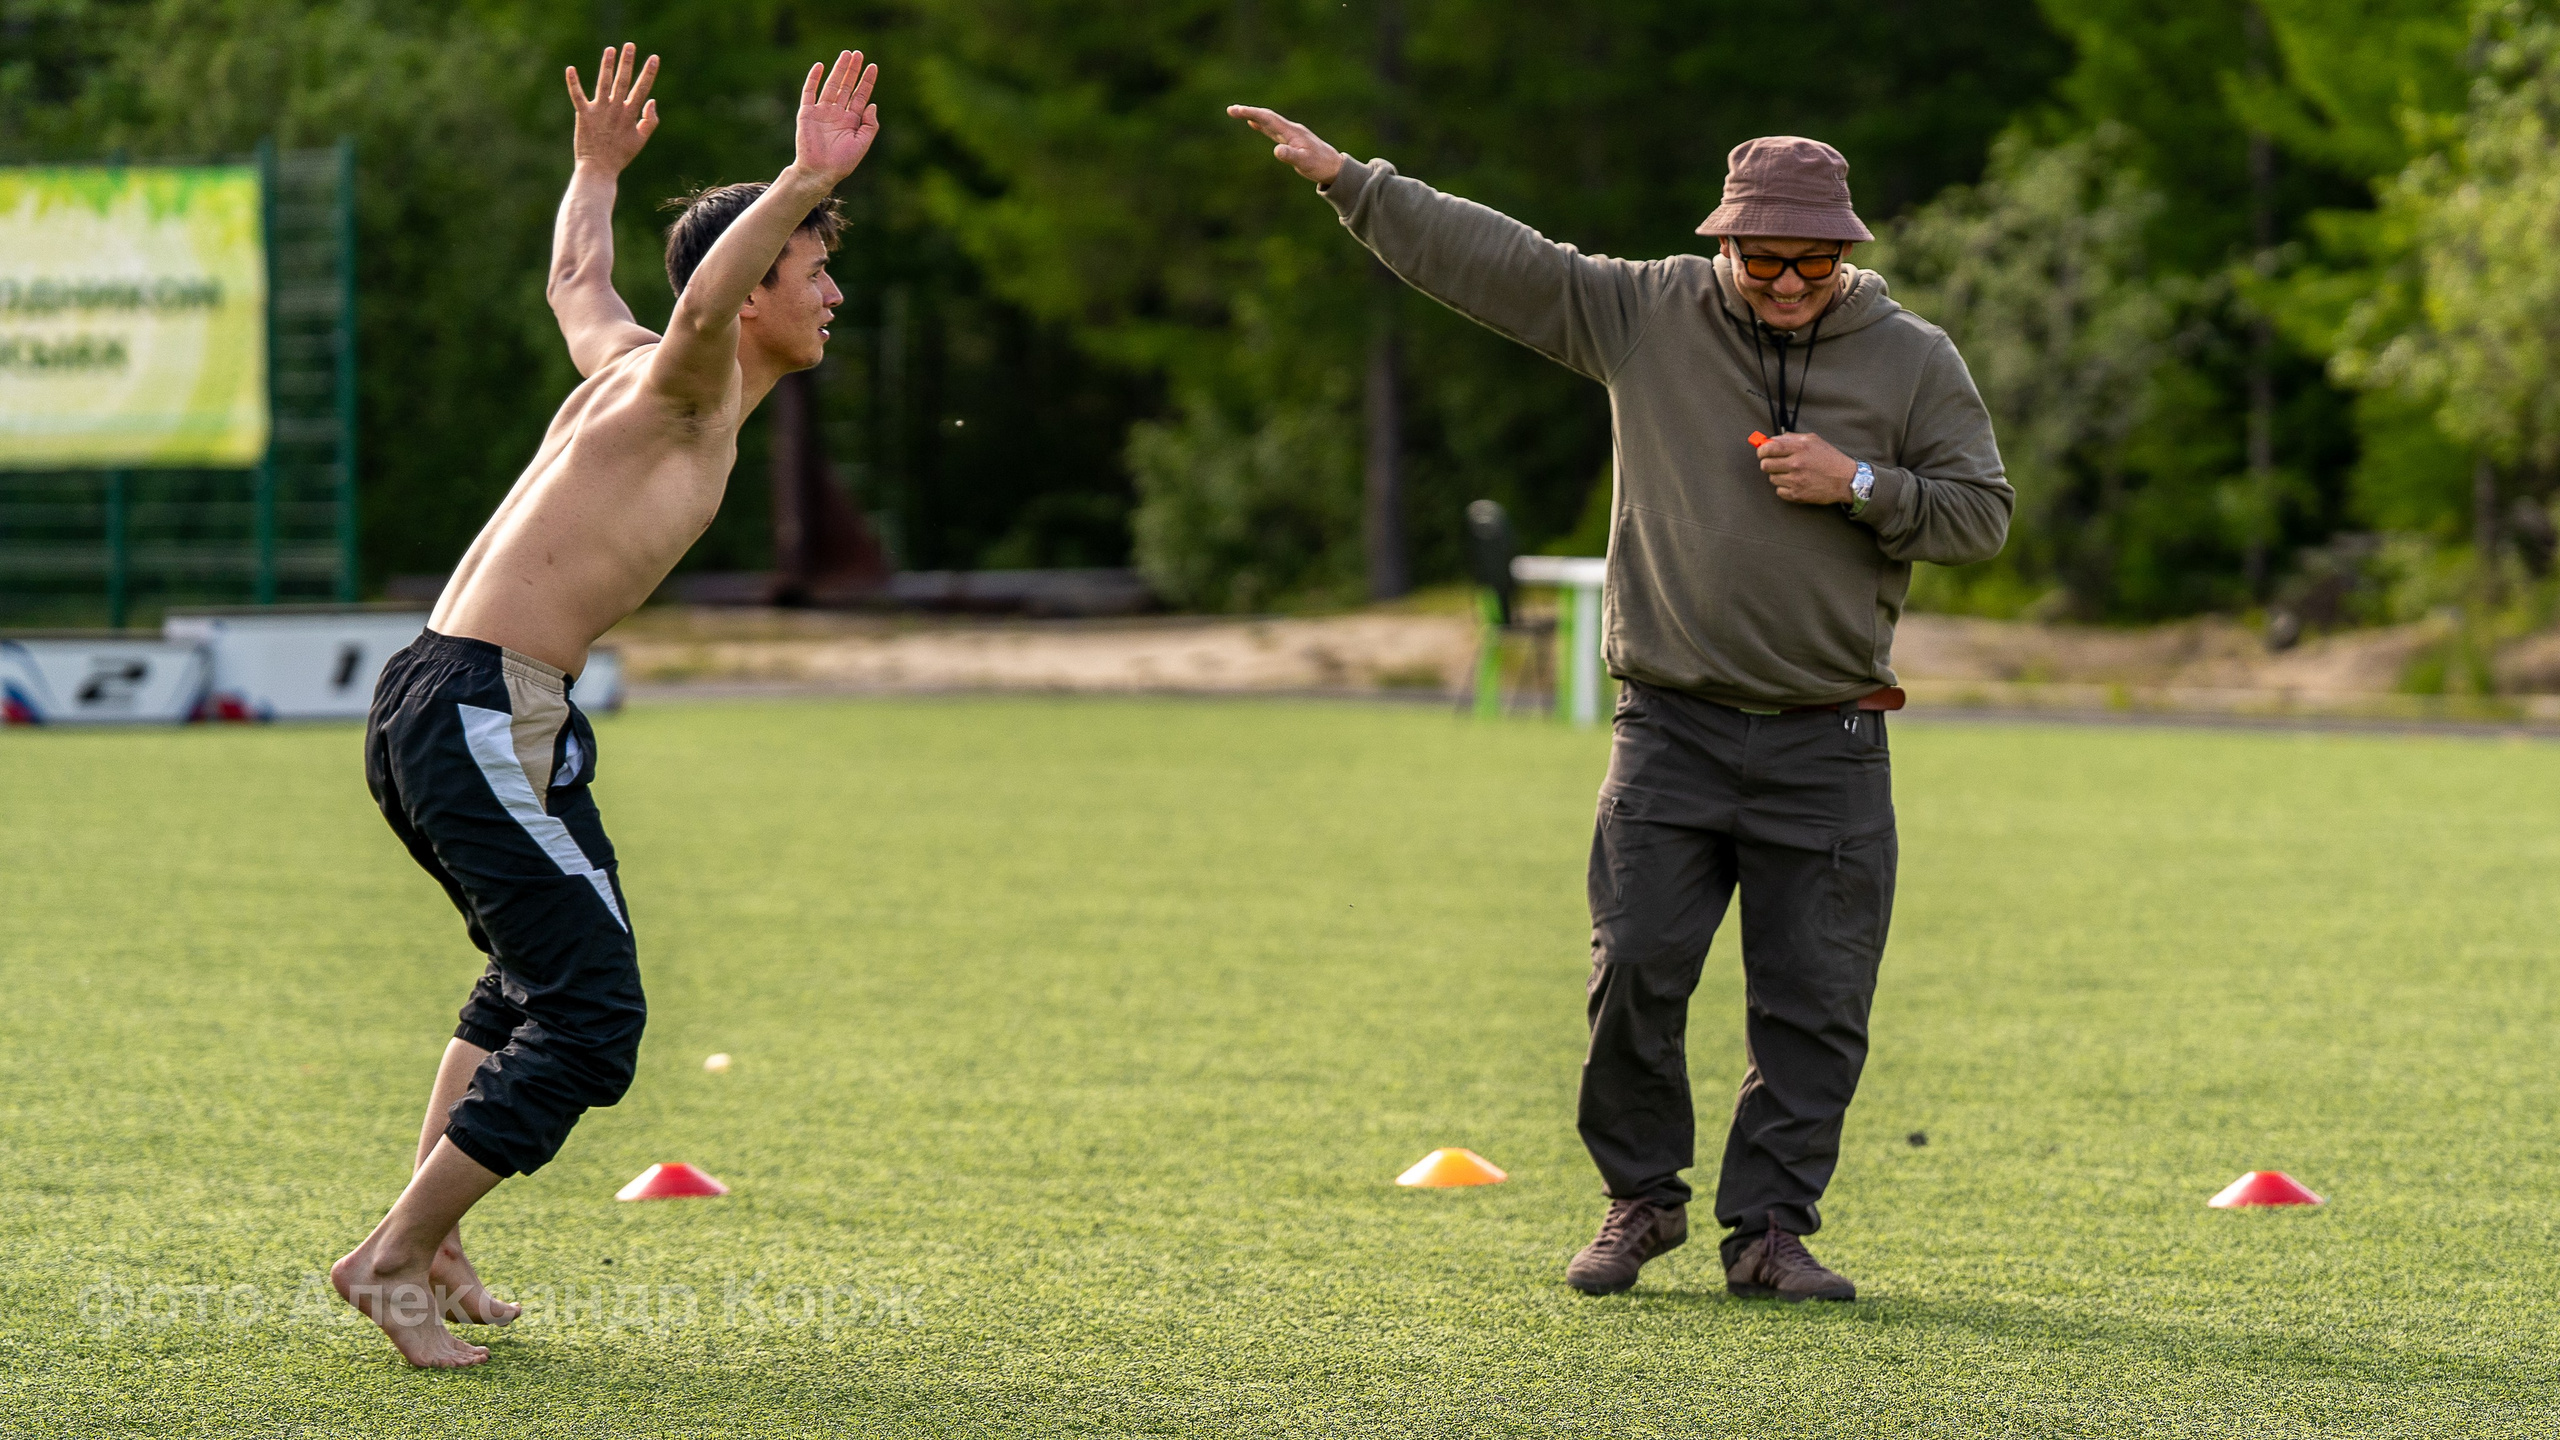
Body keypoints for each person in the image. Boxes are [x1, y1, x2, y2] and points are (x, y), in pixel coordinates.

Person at [1227, 107, 2012, 1300]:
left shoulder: (1912, 357)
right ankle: (1639, 1202)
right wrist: (1352, 181)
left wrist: (1861, 483)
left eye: (1815, 260)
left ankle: (1770, 1233)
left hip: (1832, 736)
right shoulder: (1646, 312)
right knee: (1635, 968)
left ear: (1847, 252)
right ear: (1723, 244)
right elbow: (1500, 264)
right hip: (1672, 728)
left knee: (1815, 1004)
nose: (1791, 282)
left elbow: (1982, 515)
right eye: (1765, 259)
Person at [332, 43, 880, 1367]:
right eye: (811, 270)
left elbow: (578, 279)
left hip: (465, 703)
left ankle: (433, 1236)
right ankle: (393, 1258)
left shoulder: (628, 365)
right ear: (748, 292)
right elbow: (695, 313)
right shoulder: (687, 382)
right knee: (594, 1014)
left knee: (532, 978)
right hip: (477, 710)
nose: (832, 295)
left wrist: (592, 174)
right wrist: (803, 173)